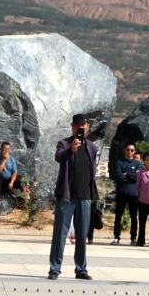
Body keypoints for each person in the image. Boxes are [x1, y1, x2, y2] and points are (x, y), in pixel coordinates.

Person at [48, 114, 97, 280]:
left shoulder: (92, 147)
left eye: (83, 125)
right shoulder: (64, 143)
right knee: (60, 234)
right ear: (72, 127)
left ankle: (81, 269)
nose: (80, 128)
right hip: (66, 196)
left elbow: (92, 170)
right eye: (77, 126)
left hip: (85, 196)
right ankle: (54, 269)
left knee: (82, 235)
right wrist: (71, 150)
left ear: (87, 127)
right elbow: (58, 157)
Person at [110, 142, 141, 244]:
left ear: (134, 151)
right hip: (121, 192)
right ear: (125, 150)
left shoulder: (138, 164)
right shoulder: (119, 162)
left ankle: (133, 238)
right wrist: (132, 177)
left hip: (133, 194)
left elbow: (138, 178)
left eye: (132, 150)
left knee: (134, 217)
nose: (130, 152)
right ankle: (116, 236)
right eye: (128, 150)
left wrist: (127, 174)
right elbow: (118, 177)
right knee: (118, 216)